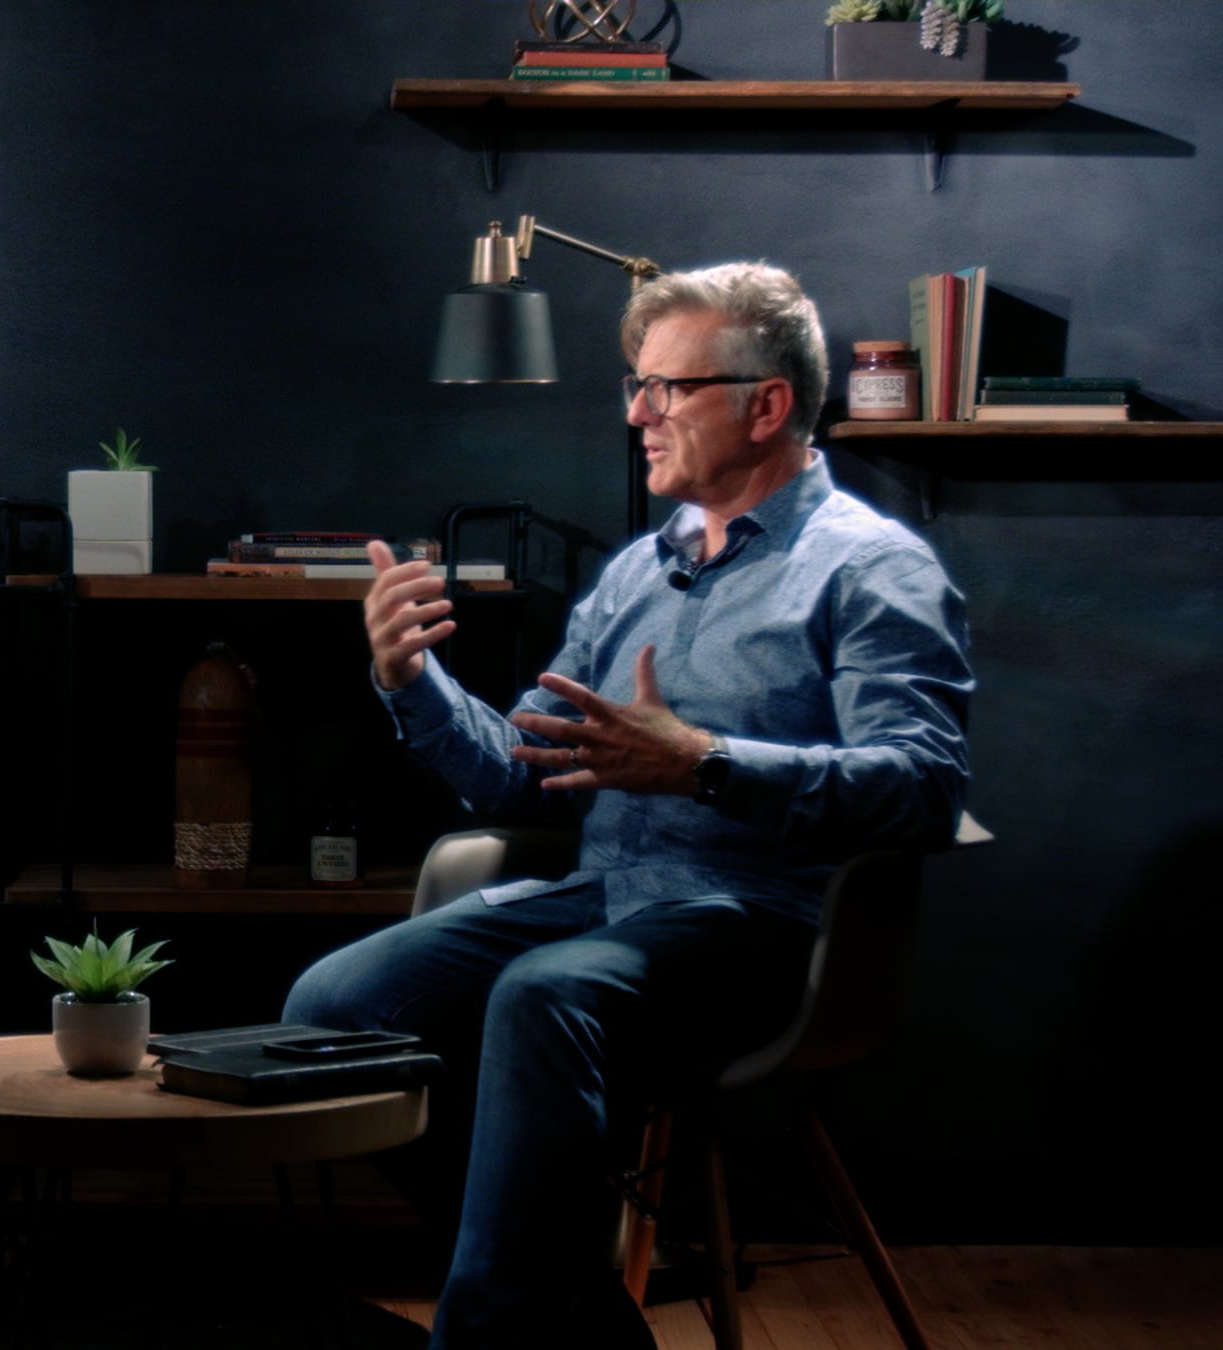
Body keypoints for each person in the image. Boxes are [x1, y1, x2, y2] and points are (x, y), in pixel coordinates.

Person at [283, 263, 972, 1347]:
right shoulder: (638, 572)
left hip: (769, 926)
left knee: (544, 995)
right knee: (332, 1006)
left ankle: (484, 1339)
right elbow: (520, 771)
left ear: (767, 405)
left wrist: (705, 764)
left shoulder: (872, 568)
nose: (637, 414)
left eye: (667, 388)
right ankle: (576, 1319)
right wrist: (410, 680)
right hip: (605, 899)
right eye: (634, 386)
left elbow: (925, 789)